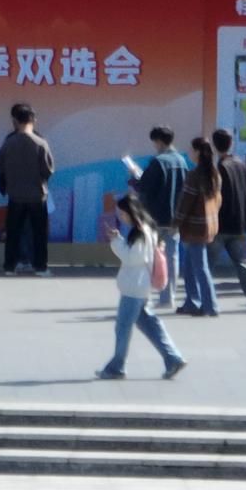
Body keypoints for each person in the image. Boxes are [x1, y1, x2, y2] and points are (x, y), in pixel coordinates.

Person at [97, 196, 187, 381]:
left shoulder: (140, 233)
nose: (121, 217)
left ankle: (117, 366)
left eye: (123, 213)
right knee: (150, 325)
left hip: (134, 287)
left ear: (131, 212)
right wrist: (119, 239)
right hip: (140, 286)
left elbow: (132, 258)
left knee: (123, 327)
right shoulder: (148, 229)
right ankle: (172, 358)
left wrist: (116, 241)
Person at [207, 129, 246, 311]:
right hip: (238, 223)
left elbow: (218, 197)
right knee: (242, 262)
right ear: (231, 143)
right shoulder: (240, 164)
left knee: (205, 263)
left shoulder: (221, 168)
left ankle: (201, 298)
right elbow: (244, 194)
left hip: (221, 223)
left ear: (214, 145)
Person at [0, 104, 54, 276]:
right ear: (33, 119)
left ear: (15, 120)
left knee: (13, 233)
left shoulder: (8, 143)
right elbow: (48, 169)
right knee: (39, 234)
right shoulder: (40, 143)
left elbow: (0, 167)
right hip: (37, 196)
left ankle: (9, 267)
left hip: (15, 196)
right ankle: (41, 267)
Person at [134, 126, 189, 307]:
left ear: (158, 141)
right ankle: (168, 297)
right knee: (172, 257)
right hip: (175, 218)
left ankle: (146, 296)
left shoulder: (157, 162)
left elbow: (144, 187)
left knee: (149, 256)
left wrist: (135, 177)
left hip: (155, 217)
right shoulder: (182, 161)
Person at [171, 137, 221, 316]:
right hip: (208, 224)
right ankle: (192, 302)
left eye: (191, 150)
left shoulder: (194, 176)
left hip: (194, 227)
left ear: (198, 152)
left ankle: (210, 305)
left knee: (200, 267)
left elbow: (185, 202)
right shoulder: (214, 174)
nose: (189, 153)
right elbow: (218, 201)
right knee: (190, 266)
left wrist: (175, 223)